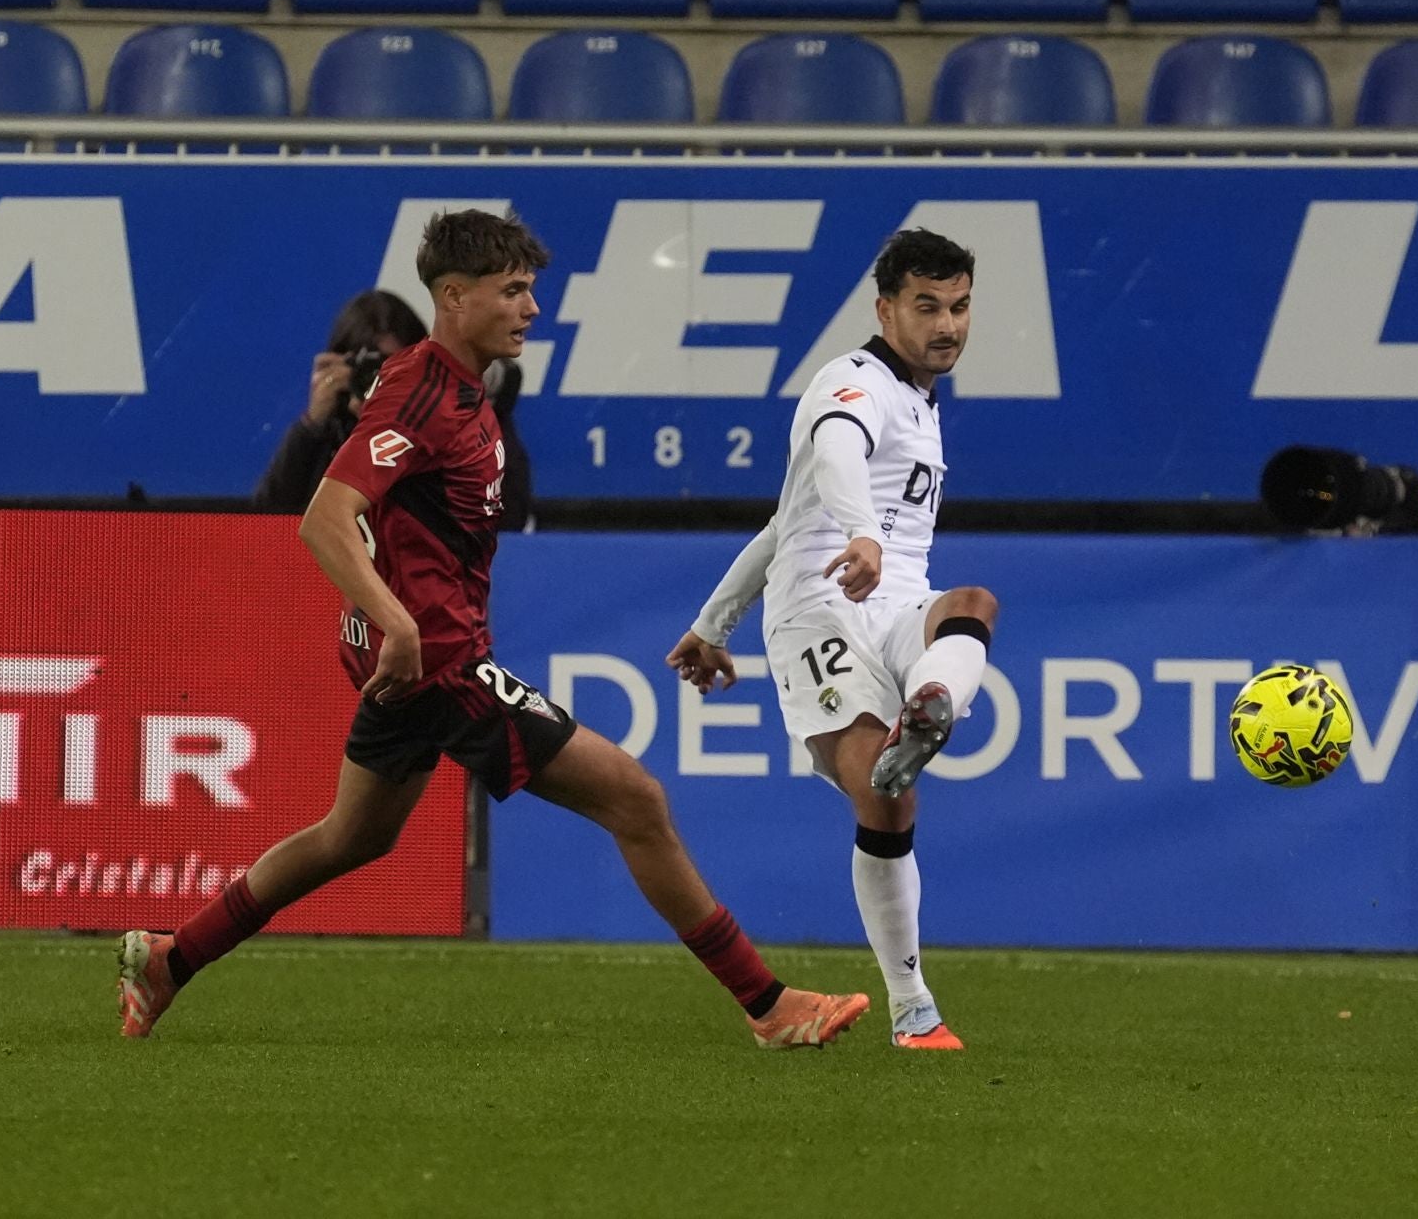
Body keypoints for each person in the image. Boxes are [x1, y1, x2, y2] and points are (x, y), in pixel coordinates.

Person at [120, 209, 869, 1049]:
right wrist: (396, 621)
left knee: (351, 836)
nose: (531, 308)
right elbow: (325, 517)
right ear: (453, 295)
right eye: (512, 291)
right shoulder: (420, 387)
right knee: (636, 798)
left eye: (530, 290)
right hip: (439, 662)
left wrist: (392, 625)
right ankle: (767, 1004)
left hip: (421, 659)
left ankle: (169, 958)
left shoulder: (465, 394)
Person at [667, 228, 998, 1053]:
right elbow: (837, 454)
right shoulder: (851, 381)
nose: (946, 324)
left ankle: (932, 704)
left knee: (972, 603)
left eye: (959, 307)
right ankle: (913, 1007)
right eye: (927, 307)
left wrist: (711, 625)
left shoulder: (922, 403)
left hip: (892, 598)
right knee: (882, 796)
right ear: (886, 310)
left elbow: (783, 521)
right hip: (820, 605)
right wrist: (861, 533)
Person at [253, 289, 534, 530]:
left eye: (395, 367)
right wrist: (311, 426)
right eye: (371, 369)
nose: (382, 382)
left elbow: (507, 518)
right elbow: (267, 522)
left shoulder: (451, 426)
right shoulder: (327, 432)